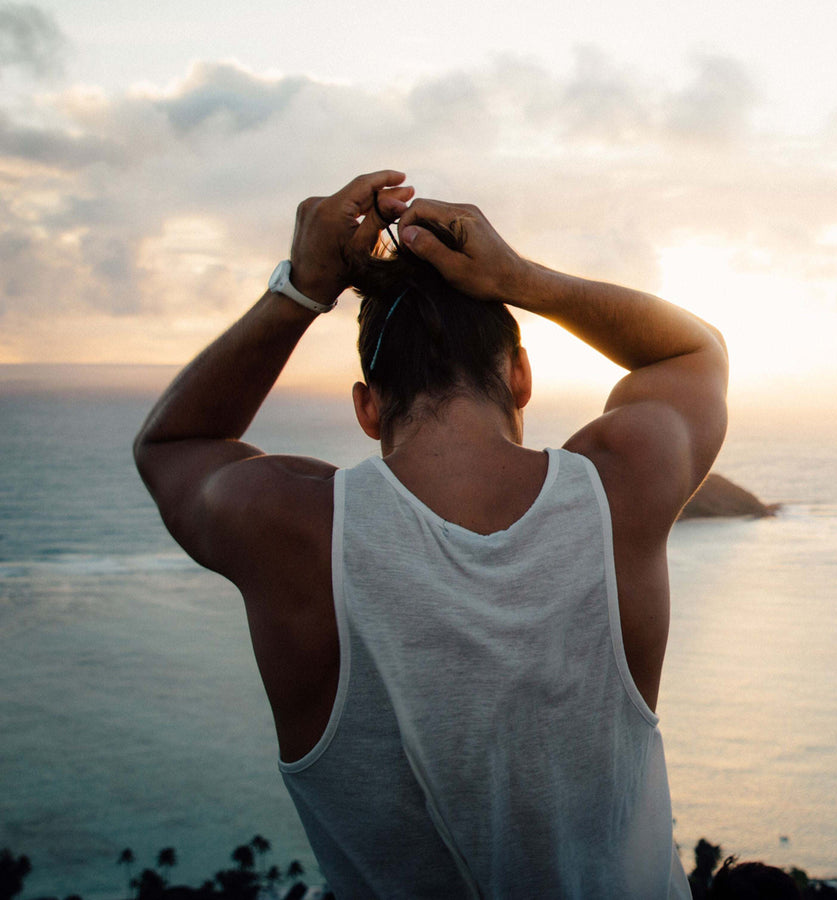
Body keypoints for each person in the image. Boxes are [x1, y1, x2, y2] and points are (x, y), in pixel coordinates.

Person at [134, 169, 728, 898]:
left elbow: (173, 446)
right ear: (519, 376)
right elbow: (692, 354)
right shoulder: (619, 487)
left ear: (368, 407)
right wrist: (524, 279)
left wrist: (301, 290)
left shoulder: (292, 525)